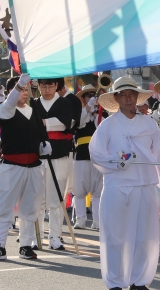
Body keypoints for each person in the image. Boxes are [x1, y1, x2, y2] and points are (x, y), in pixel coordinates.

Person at [90, 76, 160, 290]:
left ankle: (139, 281)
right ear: (115, 98)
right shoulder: (107, 126)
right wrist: (119, 162)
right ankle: (115, 282)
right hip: (117, 187)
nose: (127, 98)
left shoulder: (149, 124)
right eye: (122, 94)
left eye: (131, 94)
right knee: (116, 237)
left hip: (145, 185)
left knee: (145, 237)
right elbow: (96, 154)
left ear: (137, 97)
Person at [0, 73, 48, 261]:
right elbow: (11, 102)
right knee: (4, 205)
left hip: (34, 165)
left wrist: (44, 144)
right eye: (20, 89)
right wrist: (19, 84)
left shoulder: (34, 110)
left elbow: (40, 133)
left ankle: (25, 245)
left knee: (31, 206)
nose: (24, 92)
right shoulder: (5, 109)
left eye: (26, 88)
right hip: (12, 165)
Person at [31, 77, 76, 251]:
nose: (47, 89)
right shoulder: (34, 104)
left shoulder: (65, 103)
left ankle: (55, 237)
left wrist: (43, 123)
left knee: (57, 198)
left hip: (59, 156)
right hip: (39, 157)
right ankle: (37, 236)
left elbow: (65, 124)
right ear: (39, 86)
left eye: (50, 86)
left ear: (56, 86)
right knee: (38, 197)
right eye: (43, 86)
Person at [72, 83, 104, 230]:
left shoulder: (103, 113)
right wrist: (88, 108)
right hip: (82, 154)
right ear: (83, 98)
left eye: (93, 95)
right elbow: (77, 122)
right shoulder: (79, 112)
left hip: (97, 154)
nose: (91, 98)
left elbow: (104, 131)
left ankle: (97, 220)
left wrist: (97, 114)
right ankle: (80, 219)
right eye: (88, 95)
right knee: (79, 189)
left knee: (98, 189)